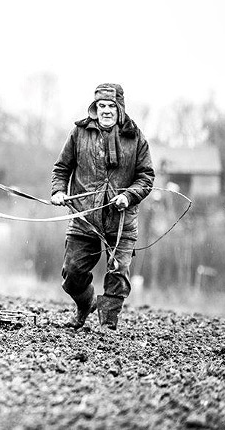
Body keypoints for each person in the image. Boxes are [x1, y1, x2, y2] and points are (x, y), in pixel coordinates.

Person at [51, 83, 154, 330]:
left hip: (121, 220)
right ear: (95, 108)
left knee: (118, 274)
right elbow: (62, 168)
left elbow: (146, 177)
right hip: (84, 217)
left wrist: (128, 196)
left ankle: (107, 327)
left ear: (120, 108)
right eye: (101, 105)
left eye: (111, 106)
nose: (106, 110)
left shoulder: (136, 137)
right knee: (72, 273)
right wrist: (58, 191)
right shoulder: (79, 133)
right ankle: (86, 303)